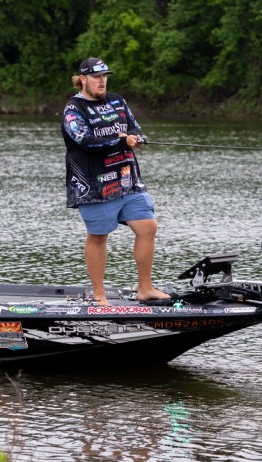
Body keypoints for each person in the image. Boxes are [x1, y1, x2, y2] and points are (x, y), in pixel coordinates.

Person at [61, 57, 170, 305]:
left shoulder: (117, 101)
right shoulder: (73, 109)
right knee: (99, 236)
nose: (102, 81)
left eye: (104, 76)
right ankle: (99, 295)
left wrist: (135, 138)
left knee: (148, 227)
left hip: (127, 179)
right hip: (94, 185)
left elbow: (134, 128)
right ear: (82, 79)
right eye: (96, 77)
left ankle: (145, 288)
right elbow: (86, 141)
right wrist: (122, 140)